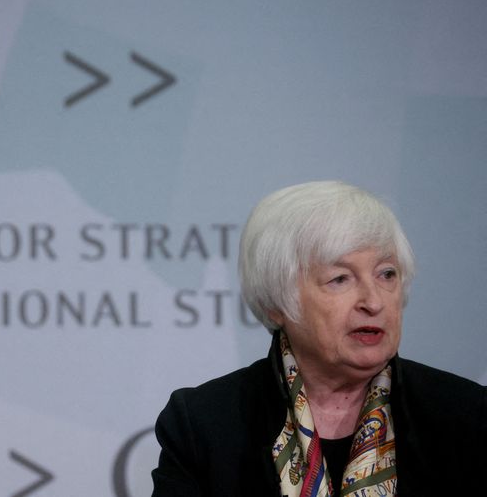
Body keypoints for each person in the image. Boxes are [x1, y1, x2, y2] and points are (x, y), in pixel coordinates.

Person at [151, 181, 486, 496]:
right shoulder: (203, 424)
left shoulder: (468, 415)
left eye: (387, 274)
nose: (373, 302)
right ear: (276, 304)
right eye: (340, 279)